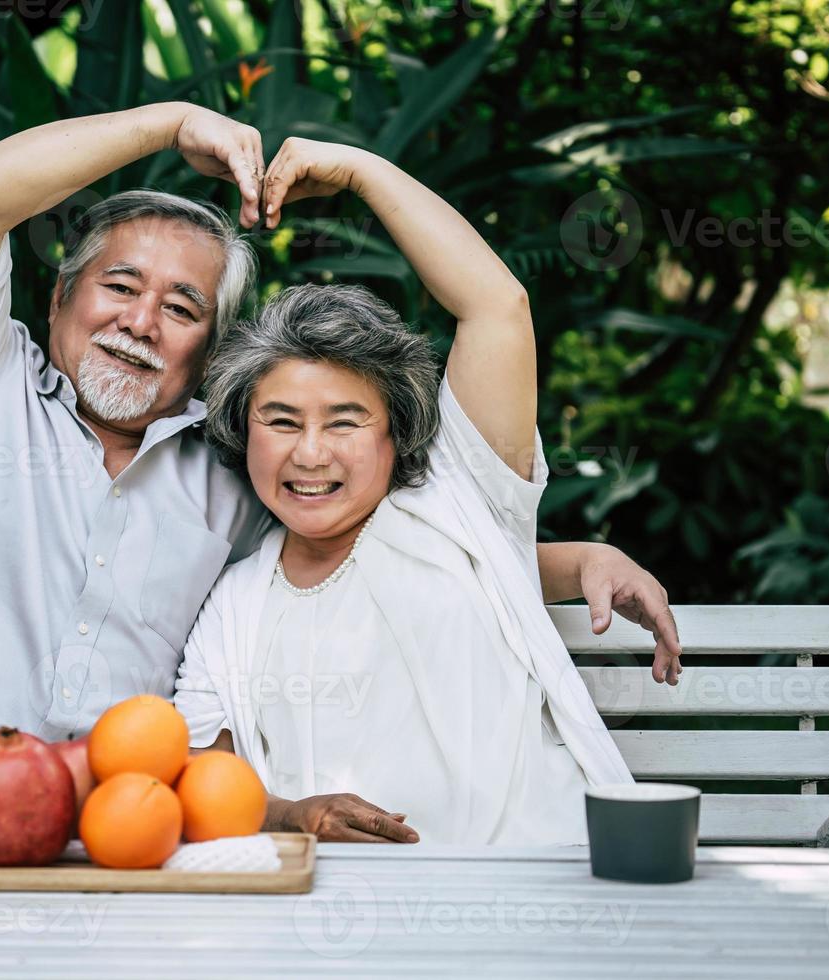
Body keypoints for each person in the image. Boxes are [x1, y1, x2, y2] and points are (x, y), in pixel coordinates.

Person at [0, 104, 682, 836]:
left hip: (110, 838)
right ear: (58, 301)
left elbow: (362, 554)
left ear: (210, 352)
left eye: (182, 307)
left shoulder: (236, 473)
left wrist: (571, 563)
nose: (143, 321)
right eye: (120, 286)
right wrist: (172, 123)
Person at [174, 137, 676, 846]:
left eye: (345, 422)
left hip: (540, 893)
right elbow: (206, 773)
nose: (310, 453)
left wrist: (359, 171)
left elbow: (496, 305)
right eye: (281, 421)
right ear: (242, 432)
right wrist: (296, 815)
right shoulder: (233, 605)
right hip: (348, 921)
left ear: (396, 434)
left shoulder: (459, 502)